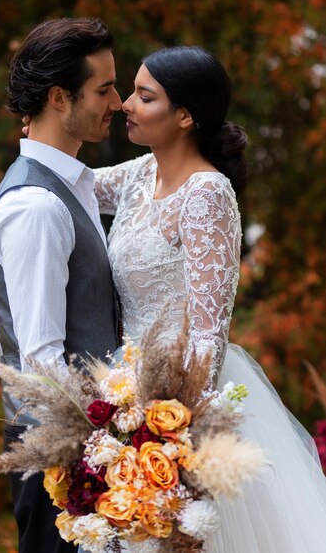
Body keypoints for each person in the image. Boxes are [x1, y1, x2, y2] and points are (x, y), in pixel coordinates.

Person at [92, 45, 326, 552]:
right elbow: (71, 187)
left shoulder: (207, 195)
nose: (126, 105)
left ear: (184, 116)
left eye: (143, 96)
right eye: (129, 91)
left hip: (184, 403)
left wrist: (172, 432)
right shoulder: (138, 174)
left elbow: (207, 331)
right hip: (125, 396)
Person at [0, 17, 122, 553]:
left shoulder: (72, 183)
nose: (117, 103)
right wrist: (99, 456)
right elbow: (42, 360)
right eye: (104, 89)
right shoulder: (36, 205)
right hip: (60, 455)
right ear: (60, 98)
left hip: (86, 446)